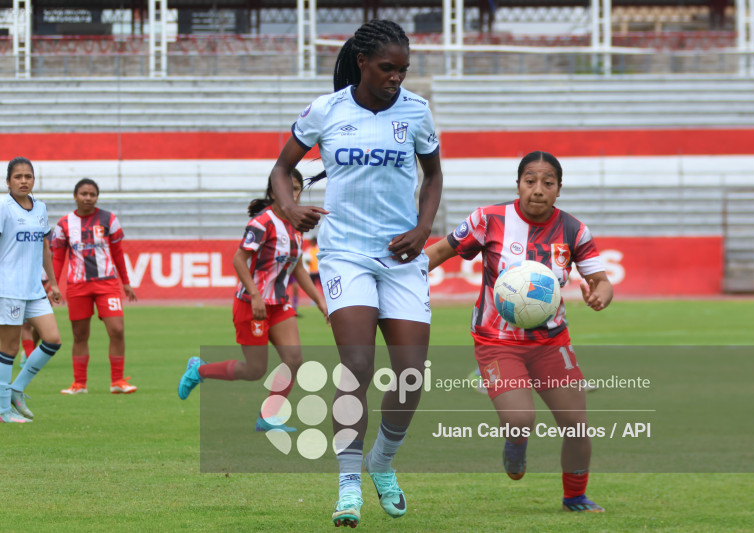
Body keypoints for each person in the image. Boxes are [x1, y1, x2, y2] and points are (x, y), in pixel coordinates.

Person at [268, 19, 443, 528]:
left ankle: (381, 464)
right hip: (344, 253)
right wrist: (288, 208)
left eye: (404, 69)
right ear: (362, 62)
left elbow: (432, 175)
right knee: (359, 366)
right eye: (388, 68)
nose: (396, 77)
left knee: (410, 376)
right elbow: (282, 169)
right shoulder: (327, 109)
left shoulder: (417, 112)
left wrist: (423, 228)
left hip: (401, 257)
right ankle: (348, 485)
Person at [425, 151, 613, 512]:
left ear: (559, 189)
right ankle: (516, 440)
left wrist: (599, 296)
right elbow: (440, 251)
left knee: (576, 427)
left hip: (550, 341)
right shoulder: (489, 219)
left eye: (548, 183)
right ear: (518, 185)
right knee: (520, 419)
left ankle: (575, 496)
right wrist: (405, 281)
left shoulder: (574, 230)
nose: (538, 190)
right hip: (497, 342)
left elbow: (601, 281)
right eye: (530, 181)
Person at [177, 169, 329, 432]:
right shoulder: (262, 222)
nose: (292, 194)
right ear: (273, 192)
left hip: (279, 304)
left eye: (296, 189)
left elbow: (297, 268)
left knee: (294, 360)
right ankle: (199, 370)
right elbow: (239, 259)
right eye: (287, 188)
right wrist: (256, 295)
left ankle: (268, 417)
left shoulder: (296, 225)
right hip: (252, 304)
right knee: (254, 370)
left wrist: (319, 300)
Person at [51, 178, 138, 395]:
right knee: (80, 335)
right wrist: (54, 285)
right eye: (83, 194)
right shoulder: (63, 224)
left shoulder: (109, 219)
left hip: (107, 283)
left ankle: (117, 381)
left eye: (92, 194)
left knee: (117, 330)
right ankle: (79, 384)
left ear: (97, 197)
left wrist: (126, 283)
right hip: (77, 285)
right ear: (75, 196)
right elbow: (58, 258)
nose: (88, 198)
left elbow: (118, 253)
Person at [0, 156, 63, 423]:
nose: (24, 181)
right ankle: (3, 410)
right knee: (9, 348)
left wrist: (54, 283)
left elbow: (45, 248)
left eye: (28, 176)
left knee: (53, 339)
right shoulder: (3, 208)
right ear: (8, 181)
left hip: (34, 288)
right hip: (9, 287)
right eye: (18, 177)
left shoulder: (40, 208)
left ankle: (17, 389)